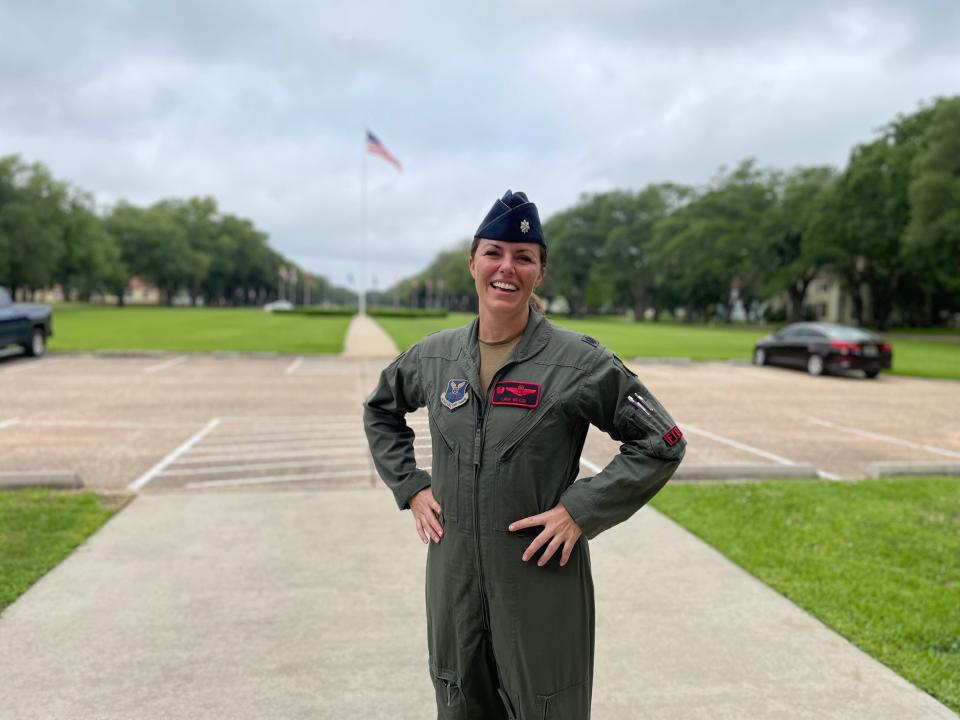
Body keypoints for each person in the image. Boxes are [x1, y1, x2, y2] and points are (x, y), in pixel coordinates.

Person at [363, 189, 686, 719]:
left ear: (540, 272)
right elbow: (381, 409)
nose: (505, 268)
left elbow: (662, 440)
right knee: (460, 702)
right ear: (472, 263)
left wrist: (581, 509)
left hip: (538, 583)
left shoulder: (579, 362)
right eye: (493, 253)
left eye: (523, 257)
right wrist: (411, 485)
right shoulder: (435, 356)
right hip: (454, 581)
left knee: (545, 707)